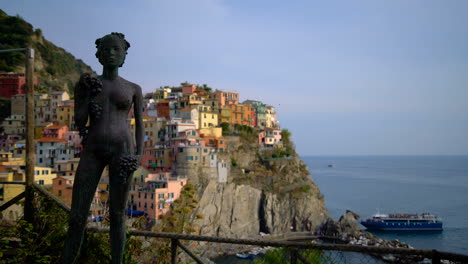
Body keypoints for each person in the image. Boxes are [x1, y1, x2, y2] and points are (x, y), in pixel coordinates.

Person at [62, 32, 143, 264]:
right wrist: (85, 94)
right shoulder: (88, 84)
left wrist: (138, 155)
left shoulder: (134, 88)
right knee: (77, 215)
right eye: (106, 49)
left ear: (124, 55)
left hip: (123, 150)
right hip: (93, 148)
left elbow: (140, 126)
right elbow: (80, 120)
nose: (110, 53)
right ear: (98, 54)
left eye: (116, 49)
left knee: (118, 215)